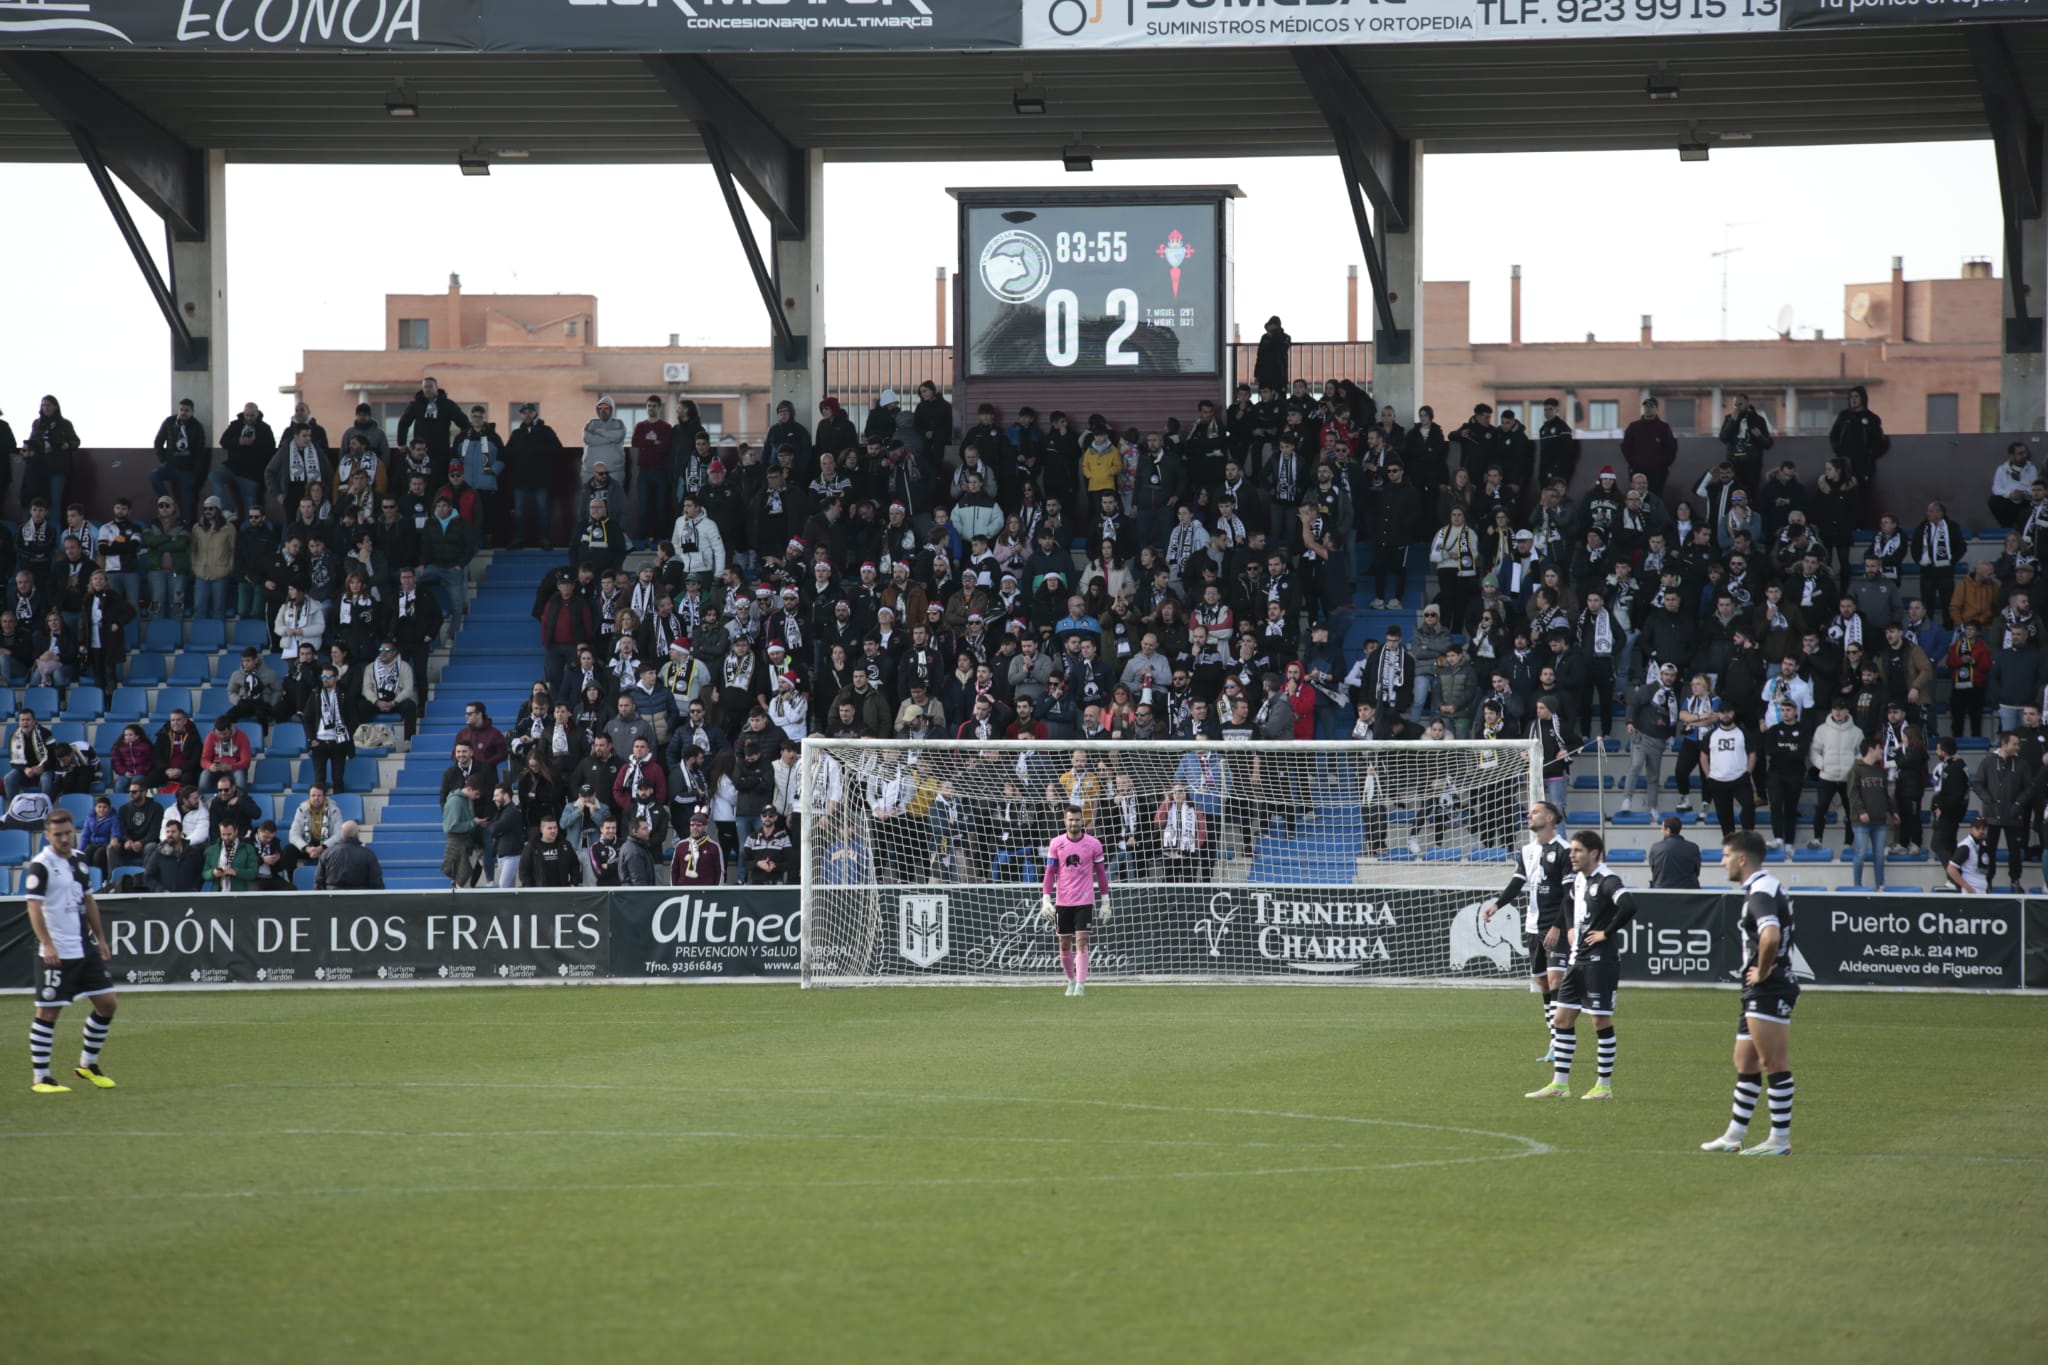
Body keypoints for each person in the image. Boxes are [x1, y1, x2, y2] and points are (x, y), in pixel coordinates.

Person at [1700, 831, 1798, 1156]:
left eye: (1726, 855)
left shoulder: (1760, 891)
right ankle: (1733, 1135)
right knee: (1745, 1061)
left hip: (1769, 986)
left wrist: (1765, 970)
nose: (1722, 861)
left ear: (1742, 859)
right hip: (1757, 987)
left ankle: (1779, 1140)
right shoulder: (1763, 887)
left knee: (1773, 1062)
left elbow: (1770, 936)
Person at [1527, 828, 1631, 1101]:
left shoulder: (1608, 880)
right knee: (1562, 1018)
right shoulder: (1579, 881)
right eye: (1571, 850)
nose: (1571, 855)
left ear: (1593, 853)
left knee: (1599, 1019)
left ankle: (1603, 1086)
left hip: (1601, 961)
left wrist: (1606, 933)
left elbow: (1630, 905)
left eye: (1577, 850)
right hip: (1577, 959)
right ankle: (1560, 1084)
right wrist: (1571, 927)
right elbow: (1568, 902)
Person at [23, 810, 119, 1093]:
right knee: (48, 1013)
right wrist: (48, 943)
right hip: (56, 952)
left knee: (108, 1003)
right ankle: (41, 1077)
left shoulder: (79, 860)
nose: (65, 838)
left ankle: (87, 1064)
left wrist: (100, 938)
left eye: (68, 833)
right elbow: (33, 906)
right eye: (58, 834)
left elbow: (88, 901)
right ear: (48, 835)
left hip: (82, 948)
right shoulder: (40, 865)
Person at [1481, 801, 1572, 1059]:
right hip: (1533, 926)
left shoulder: (1565, 850)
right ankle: (1554, 1040)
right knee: (1543, 984)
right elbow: (1517, 882)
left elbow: (1570, 895)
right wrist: (1497, 905)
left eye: (1535, 812)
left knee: (1556, 981)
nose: (1529, 815)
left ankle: (1561, 1041)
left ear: (1550, 817)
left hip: (1557, 927)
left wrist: (1557, 926)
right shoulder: (1527, 850)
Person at [1040, 806, 1109, 997]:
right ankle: (1070, 980)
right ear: (1065, 821)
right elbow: (1050, 873)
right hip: (1063, 902)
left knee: (1082, 941)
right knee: (1064, 944)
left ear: (1082, 821)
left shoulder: (1094, 844)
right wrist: (1046, 898)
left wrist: (1106, 901)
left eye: (1077, 819)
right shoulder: (1057, 843)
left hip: (1085, 900)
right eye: (1071, 820)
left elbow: (1101, 874)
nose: (1074, 823)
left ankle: (1080, 986)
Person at [1700, 707, 1756, 838]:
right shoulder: (1711, 734)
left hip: (1739, 779)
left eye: (1728, 712)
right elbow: (1703, 756)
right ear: (1718, 714)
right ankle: (1730, 844)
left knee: (1748, 807)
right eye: (1722, 712)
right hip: (1717, 780)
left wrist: (1748, 772)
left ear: (1733, 713)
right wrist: (1708, 775)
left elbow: (1752, 754)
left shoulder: (1743, 732)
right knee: (1724, 815)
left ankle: (1747, 838)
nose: (1725, 715)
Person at [314, 820, 384, 890]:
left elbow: (318, 883)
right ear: (357, 834)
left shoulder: (326, 854)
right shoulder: (368, 854)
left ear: (341, 834)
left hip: (333, 898)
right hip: (360, 899)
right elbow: (376, 884)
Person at [520, 814, 580, 888]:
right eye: (550, 828)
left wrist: (574, 883)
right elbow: (524, 870)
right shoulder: (532, 846)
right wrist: (529, 888)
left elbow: (575, 865)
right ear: (541, 829)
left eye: (555, 828)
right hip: (540, 892)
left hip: (562, 891)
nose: (553, 830)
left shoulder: (565, 845)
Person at [1945, 815, 1996, 895]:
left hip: (1982, 889)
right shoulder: (1966, 846)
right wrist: (1967, 887)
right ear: (1972, 829)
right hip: (1970, 891)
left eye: (1984, 828)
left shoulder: (1984, 844)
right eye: (1978, 828)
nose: (1981, 831)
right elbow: (1951, 868)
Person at [1649, 815, 1702, 889]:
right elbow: (1697, 872)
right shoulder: (1693, 848)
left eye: (1662, 829)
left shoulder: (1655, 848)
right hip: (1689, 894)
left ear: (1668, 830)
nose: (1661, 831)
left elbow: (1654, 871)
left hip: (1662, 892)